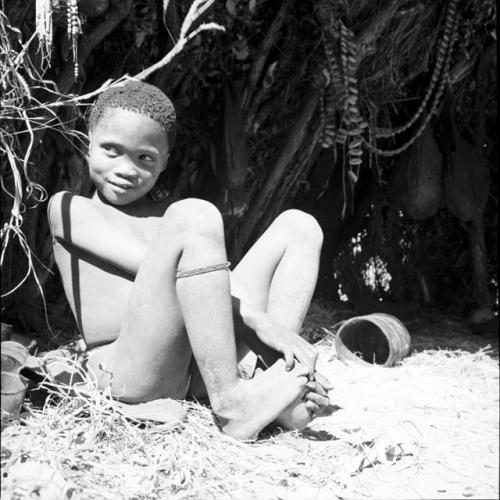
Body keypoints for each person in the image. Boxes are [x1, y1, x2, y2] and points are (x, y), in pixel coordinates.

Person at [47, 80, 333, 440]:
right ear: (87, 143)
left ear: (165, 162)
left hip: (194, 368)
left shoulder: (168, 219)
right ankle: (231, 406)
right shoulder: (70, 209)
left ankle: (277, 378)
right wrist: (260, 322)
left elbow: (220, 289)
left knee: (300, 226)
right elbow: (147, 265)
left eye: (145, 158)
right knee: (195, 214)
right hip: (129, 370)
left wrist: (279, 346)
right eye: (111, 149)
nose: (126, 168)